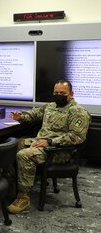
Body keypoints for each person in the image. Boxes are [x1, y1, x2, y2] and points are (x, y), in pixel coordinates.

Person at [7, 80, 90, 214]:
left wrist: (50, 142)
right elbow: (34, 114)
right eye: (56, 92)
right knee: (10, 146)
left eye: (62, 93)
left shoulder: (78, 112)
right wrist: (20, 116)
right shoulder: (50, 106)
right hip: (40, 143)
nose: (58, 95)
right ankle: (10, 186)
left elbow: (76, 137)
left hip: (58, 151)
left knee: (24, 155)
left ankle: (23, 198)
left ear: (71, 94)